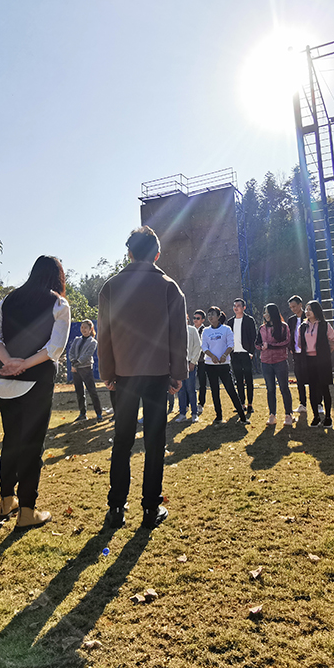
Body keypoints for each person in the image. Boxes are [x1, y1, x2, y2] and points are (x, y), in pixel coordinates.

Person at [98, 226, 187, 530]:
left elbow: (104, 335)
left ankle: (116, 508)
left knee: (122, 440)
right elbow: (178, 336)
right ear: (157, 254)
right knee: (155, 440)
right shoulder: (169, 286)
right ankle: (150, 507)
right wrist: (177, 373)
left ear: (129, 253)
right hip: (158, 373)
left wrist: (107, 372)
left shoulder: (111, 287)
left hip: (123, 375)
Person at [0, 256, 70, 528]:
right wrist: (23, 364)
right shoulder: (59, 303)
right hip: (36, 381)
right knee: (32, 444)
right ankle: (26, 511)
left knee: (11, 441)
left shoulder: (8, 300)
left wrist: (9, 361)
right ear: (58, 277)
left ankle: (6, 500)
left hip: (5, 382)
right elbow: (55, 348)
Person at [200, 307, 249, 425]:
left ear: (219, 316)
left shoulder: (226, 329)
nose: (210, 317)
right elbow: (204, 346)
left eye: (213, 314)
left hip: (224, 365)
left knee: (231, 390)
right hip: (210, 365)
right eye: (209, 315)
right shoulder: (206, 331)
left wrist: (224, 355)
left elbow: (231, 344)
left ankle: (242, 417)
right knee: (214, 390)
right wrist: (212, 356)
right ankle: (218, 416)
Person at [299, 300, 334, 428]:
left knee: (324, 388)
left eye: (310, 309)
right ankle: (315, 416)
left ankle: (328, 417)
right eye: (306, 309)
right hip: (308, 360)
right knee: (312, 389)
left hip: (322, 361)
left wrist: (324, 353)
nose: (307, 312)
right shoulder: (303, 326)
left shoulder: (324, 325)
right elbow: (300, 343)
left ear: (316, 311)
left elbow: (333, 341)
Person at [257, 303, 294, 427]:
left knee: (284, 388)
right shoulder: (262, 328)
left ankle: (288, 414)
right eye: (264, 312)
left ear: (273, 313)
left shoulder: (283, 327)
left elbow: (286, 342)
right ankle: (272, 414)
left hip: (280, 361)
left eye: (267, 312)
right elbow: (257, 343)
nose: (265, 315)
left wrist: (270, 346)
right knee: (270, 389)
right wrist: (261, 347)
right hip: (266, 362)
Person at [227, 298, 257, 415]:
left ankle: (250, 404)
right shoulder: (230, 322)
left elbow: (253, 337)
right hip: (235, 354)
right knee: (238, 380)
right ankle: (241, 404)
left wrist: (251, 352)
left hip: (246, 353)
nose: (236, 307)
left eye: (238, 305)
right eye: (234, 305)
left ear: (244, 307)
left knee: (249, 380)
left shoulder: (249, 320)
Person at [69, 319, 102, 422]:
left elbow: (88, 355)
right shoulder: (77, 339)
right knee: (79, 392)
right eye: (82, 327)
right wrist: (73, 362)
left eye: (85, 328)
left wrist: (77, 362)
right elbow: (71, 352)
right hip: (76, 370)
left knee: (92, 391)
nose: (83, 329)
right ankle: (82, 414)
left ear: (90, 329)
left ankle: (99, 414)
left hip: (86, 369)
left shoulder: (93, 342)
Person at [174, 312, 202, 423]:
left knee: (191, 389)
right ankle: (182, 413)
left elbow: (197, 346)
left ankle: (194, 413)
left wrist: (193, 362)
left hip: (190, 363)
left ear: (187, 318)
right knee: (180, 390)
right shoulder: (174, 331)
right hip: (178, 364)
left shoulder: (192, 330)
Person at [286, 296, 309, 420]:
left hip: (309, 353)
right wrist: (291, 347)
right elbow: (290, 334)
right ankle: (302, 404)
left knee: (313, 378)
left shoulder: (309, 317)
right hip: (296, 353)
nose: (293, 309)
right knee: (299, 379)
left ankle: (318, 403)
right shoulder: (291, 320)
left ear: (301, 305)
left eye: (294, 306)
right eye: (291, 307)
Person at [193, 310, 208, 411]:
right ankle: (188, 403)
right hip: (191, 360)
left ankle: (201, 403)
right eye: (194, 318)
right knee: (190, 383)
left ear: (202, 320)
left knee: (202, 383)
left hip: (202, 361)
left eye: (198, 318)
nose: (195, 320)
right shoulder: (190, 330)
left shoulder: (205, 331)